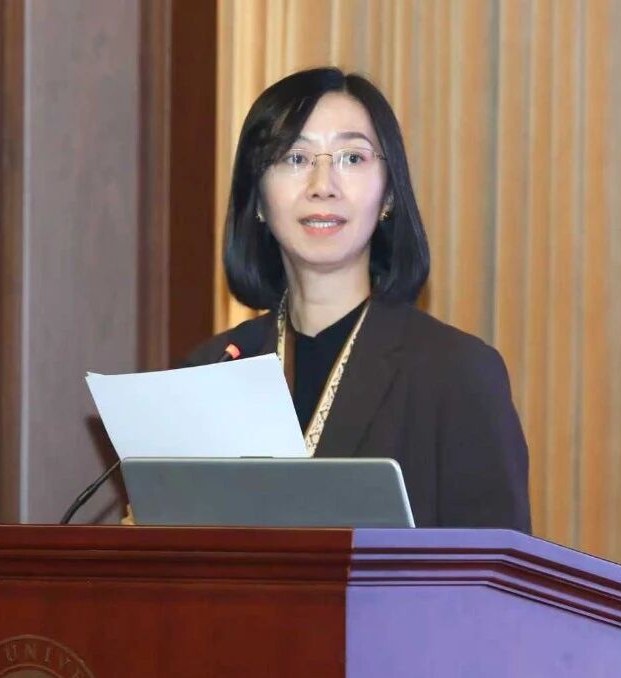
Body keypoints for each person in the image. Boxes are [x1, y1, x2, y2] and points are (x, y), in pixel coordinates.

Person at [182, 67, 531, 531]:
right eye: (294, 158)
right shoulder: (212, 371)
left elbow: (494, 572)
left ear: (388, 196)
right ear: (259, 201)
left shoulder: (456, 373)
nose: (322, 184)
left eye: (351, 158)